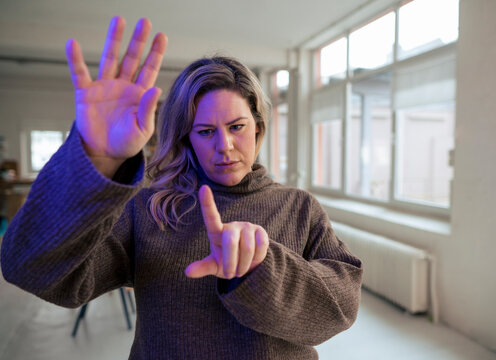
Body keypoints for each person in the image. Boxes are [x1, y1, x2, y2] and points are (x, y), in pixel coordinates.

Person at [0, 16, 363, 359]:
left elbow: (340, 308)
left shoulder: (298, 207)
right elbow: (29, 268)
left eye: (236, 126)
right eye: (206, 131)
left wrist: (259, 269)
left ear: (257, 125)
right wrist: (96, 161)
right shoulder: (150, 209)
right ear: (187, 139)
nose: (224, 146)